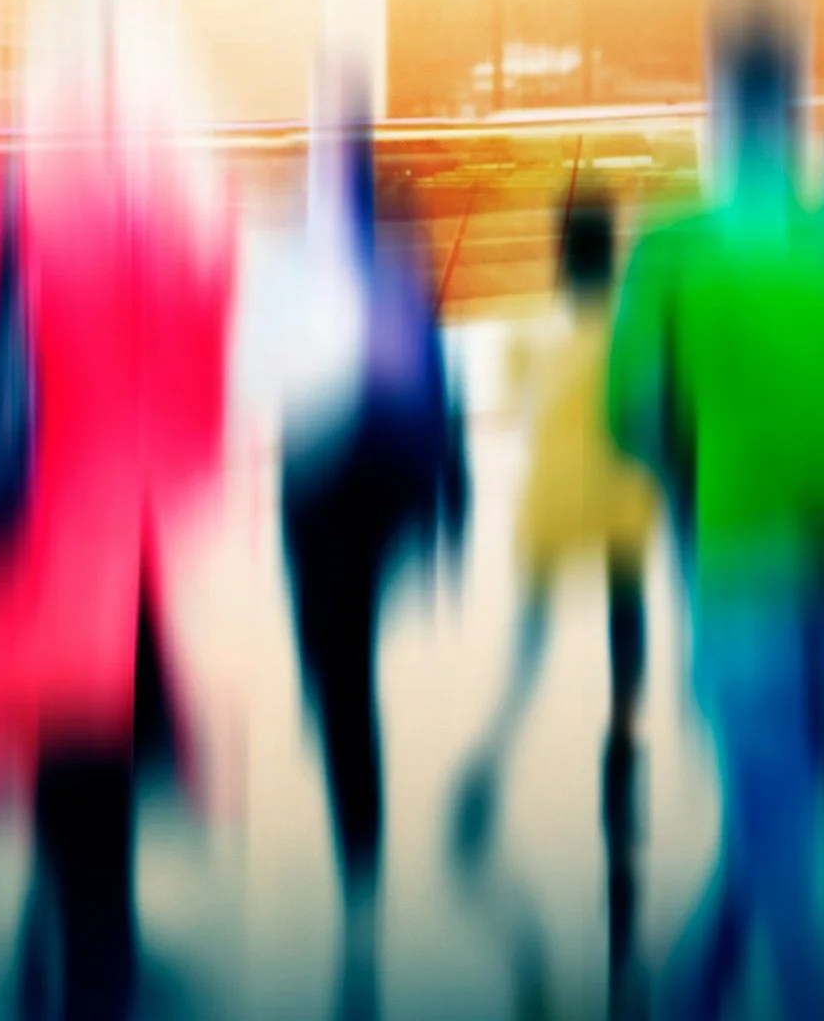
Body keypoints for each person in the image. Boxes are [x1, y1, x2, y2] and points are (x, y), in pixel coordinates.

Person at [607, 0, 824, 1021]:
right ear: (799, 91)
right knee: (774, 813)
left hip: (742, 548)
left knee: (779, 830)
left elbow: (629, 414)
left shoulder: (673, 238)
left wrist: (686, 470)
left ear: (716, 88)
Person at [0, 0, 235, 1021]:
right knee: (106, 793)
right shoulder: (186, 192)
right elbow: (209, 390)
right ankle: (101, 951)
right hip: (139, 551)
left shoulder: (20, 190)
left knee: (62, 776)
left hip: (37, 535)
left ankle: (78, 950)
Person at [272, 70, 465, 1013]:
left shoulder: (300, 225)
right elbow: (428, 347)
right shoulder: (395, 217)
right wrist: (451, 488)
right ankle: (361, 860)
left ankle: (361, 863)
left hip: (326, 476)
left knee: (335, 665)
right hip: (380, 472)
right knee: (341, 662)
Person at [449, 186, 655, 1014]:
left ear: (560, 255)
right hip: (623, 503)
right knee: (627, 622)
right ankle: (625, 733)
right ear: (616, 251)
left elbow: (523, 411)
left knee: (529, 644)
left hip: (549, 506)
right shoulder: (638, 328)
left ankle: (491, 757)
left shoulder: (534, 332)